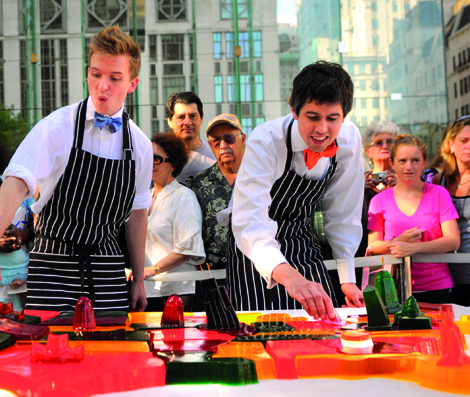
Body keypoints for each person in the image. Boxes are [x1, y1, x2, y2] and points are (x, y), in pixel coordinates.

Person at [0, 26, 152, 312]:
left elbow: (136, 214)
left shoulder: (141, 146)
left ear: (132, 84)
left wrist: (139, 280)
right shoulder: (58, 127)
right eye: (96, 74)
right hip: (53, 263)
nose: (102, 85)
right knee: (50, 352)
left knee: (114, 351)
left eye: (114, 78)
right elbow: (17, 181)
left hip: (108, 268)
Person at [226, 61, 365, 320]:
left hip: (301, 238)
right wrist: (289, 277)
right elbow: (250, 221)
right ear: (294, 110)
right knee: (261, 332)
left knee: (323, 326)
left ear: (344, 116)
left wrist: (347, 278)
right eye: (312, 117)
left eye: (332, 118)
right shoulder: (266, 140)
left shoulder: (349, 140)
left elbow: (344, 212)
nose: (322, 129)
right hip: (254, 250)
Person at [368, 135, 460, 304]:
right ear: (393, 163)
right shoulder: (379, 200)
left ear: (425, 162)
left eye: (415, 160)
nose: (409, 166)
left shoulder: (439, 194)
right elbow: (373, 246)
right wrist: (397, 243)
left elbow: (453, 240)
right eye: (402, 160)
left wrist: (414, 248)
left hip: (437, 287)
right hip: (392, 290)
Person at [143, 132, 205, 312]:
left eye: (157, 159)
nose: (151, 163)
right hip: (148, 289)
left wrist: (151, 270)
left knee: (175, 340)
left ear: (173, 165)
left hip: (177, 290)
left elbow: (187, 248)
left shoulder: (183, 196)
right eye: (148, 157)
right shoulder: (144, 197)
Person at [188, 114, 246, 270]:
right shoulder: (199, 183)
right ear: (210, 145)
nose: (223, 145)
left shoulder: (259, 176)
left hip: (255, 270)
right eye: (216, 141)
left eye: (229, 138)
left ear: (243, 139)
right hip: (214, 274)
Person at [433, 115, 470, 306]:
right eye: (464, 141)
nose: (468, 146)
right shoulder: (439, 180)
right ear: (451, 145)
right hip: (449, 273)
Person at [166, 92, 216, 182]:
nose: (188, 122)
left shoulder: (216, 155)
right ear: (170, 121)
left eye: (193, 116)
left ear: (201, 120)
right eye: (181, 117)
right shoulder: (159, 160)